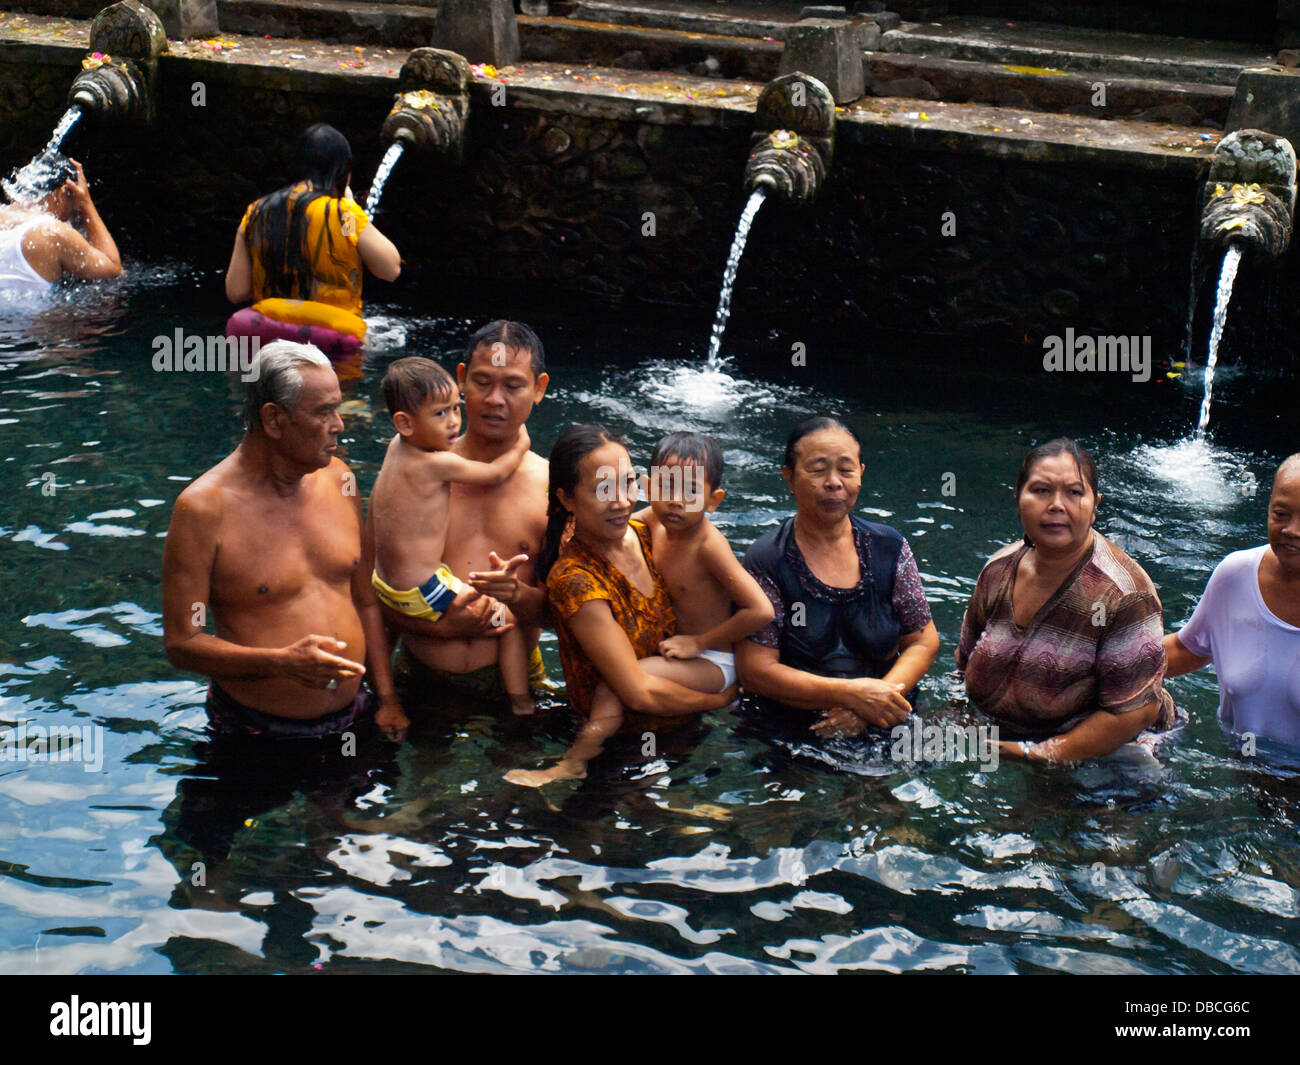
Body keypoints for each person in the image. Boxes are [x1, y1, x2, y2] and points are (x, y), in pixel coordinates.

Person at [161, 340, 407, 740]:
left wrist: (389, 699)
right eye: (324, 411)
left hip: (354, 716)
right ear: (274, 420)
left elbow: (364, 599)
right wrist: (281, 662)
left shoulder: (340, 479)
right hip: (254, 731)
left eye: (337, 408)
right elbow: (182, 643)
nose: (339, 425)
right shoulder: (203, 509)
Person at [504, 425, 738, 786]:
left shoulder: (644, 530)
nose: (622, 501)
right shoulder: (575, 580)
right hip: (617, 748)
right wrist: (718, 701)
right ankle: (573, 764)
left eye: (628, 483)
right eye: (603, 489)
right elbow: (637, 693)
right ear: (567, 499)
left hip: (677, 731)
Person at [956, 438, 1176, 764]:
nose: (1057, 505)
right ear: (1018, 498)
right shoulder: (997, 570)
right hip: (1003, 739)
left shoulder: (1124, 595)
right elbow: (962, 664)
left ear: (1095, 505)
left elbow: (1134, 714)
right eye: (1041, 490)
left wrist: (1039, 754)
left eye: (1074, 492)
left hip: (1110, 760)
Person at [379, 321, 552, 703]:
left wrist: (518, 595)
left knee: (518, 761)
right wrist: (386, 699)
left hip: (514, 680)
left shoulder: (553, 487)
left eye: (513, 385)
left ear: (539, 388)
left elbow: (576, 612)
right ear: (461, 379)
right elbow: (372, 589)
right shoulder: (412, 469)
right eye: (482, 381)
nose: (495, 399)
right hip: (420, 675)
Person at [736, 417, 939, 738]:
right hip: (793, 716)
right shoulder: (766, 559)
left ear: (861, 473)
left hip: (886, 709)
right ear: (789, 477)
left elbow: (923, 640)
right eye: (817, 470)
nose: (833, 482)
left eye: (845, 469)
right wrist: (849, 696)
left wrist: (877, 699)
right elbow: (755, 670)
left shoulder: (890, 547)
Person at [224, 124, 400, 358]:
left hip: (263, 334)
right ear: (341, 172)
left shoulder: (256, 212)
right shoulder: (343, 214)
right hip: (330, 339)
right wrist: (350, 206)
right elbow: (390, 269)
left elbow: (236, 291)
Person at [1163, 453, 1300, 749]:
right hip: (1242, 767)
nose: (1292, 531)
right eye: (1280, 514)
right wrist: (1096, 664)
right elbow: (1187, 649)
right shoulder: (1236, 575)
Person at [0, 152, 121, 295]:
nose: (75, 216)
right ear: (64, 193)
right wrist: (85, 202)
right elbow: (113, 268)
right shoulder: (51, 232)